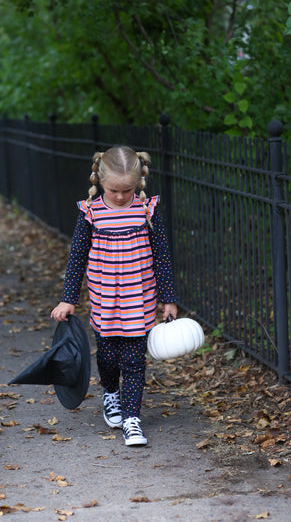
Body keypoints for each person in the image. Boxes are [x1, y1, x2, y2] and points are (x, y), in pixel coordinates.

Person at [51, 146, 177, 446]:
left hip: (139, 299)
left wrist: (168, 298)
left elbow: (162, 257)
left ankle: (132, 419)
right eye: (114, 190)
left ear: (139, 183)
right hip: (105, 300)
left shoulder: (147, 211)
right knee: (107, 358)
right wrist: (69, 298)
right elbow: (77, 258)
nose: (121, 196)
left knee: (134, 361)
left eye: (128, 190)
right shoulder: (91, 213)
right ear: (100, 182)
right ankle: (110, 393)